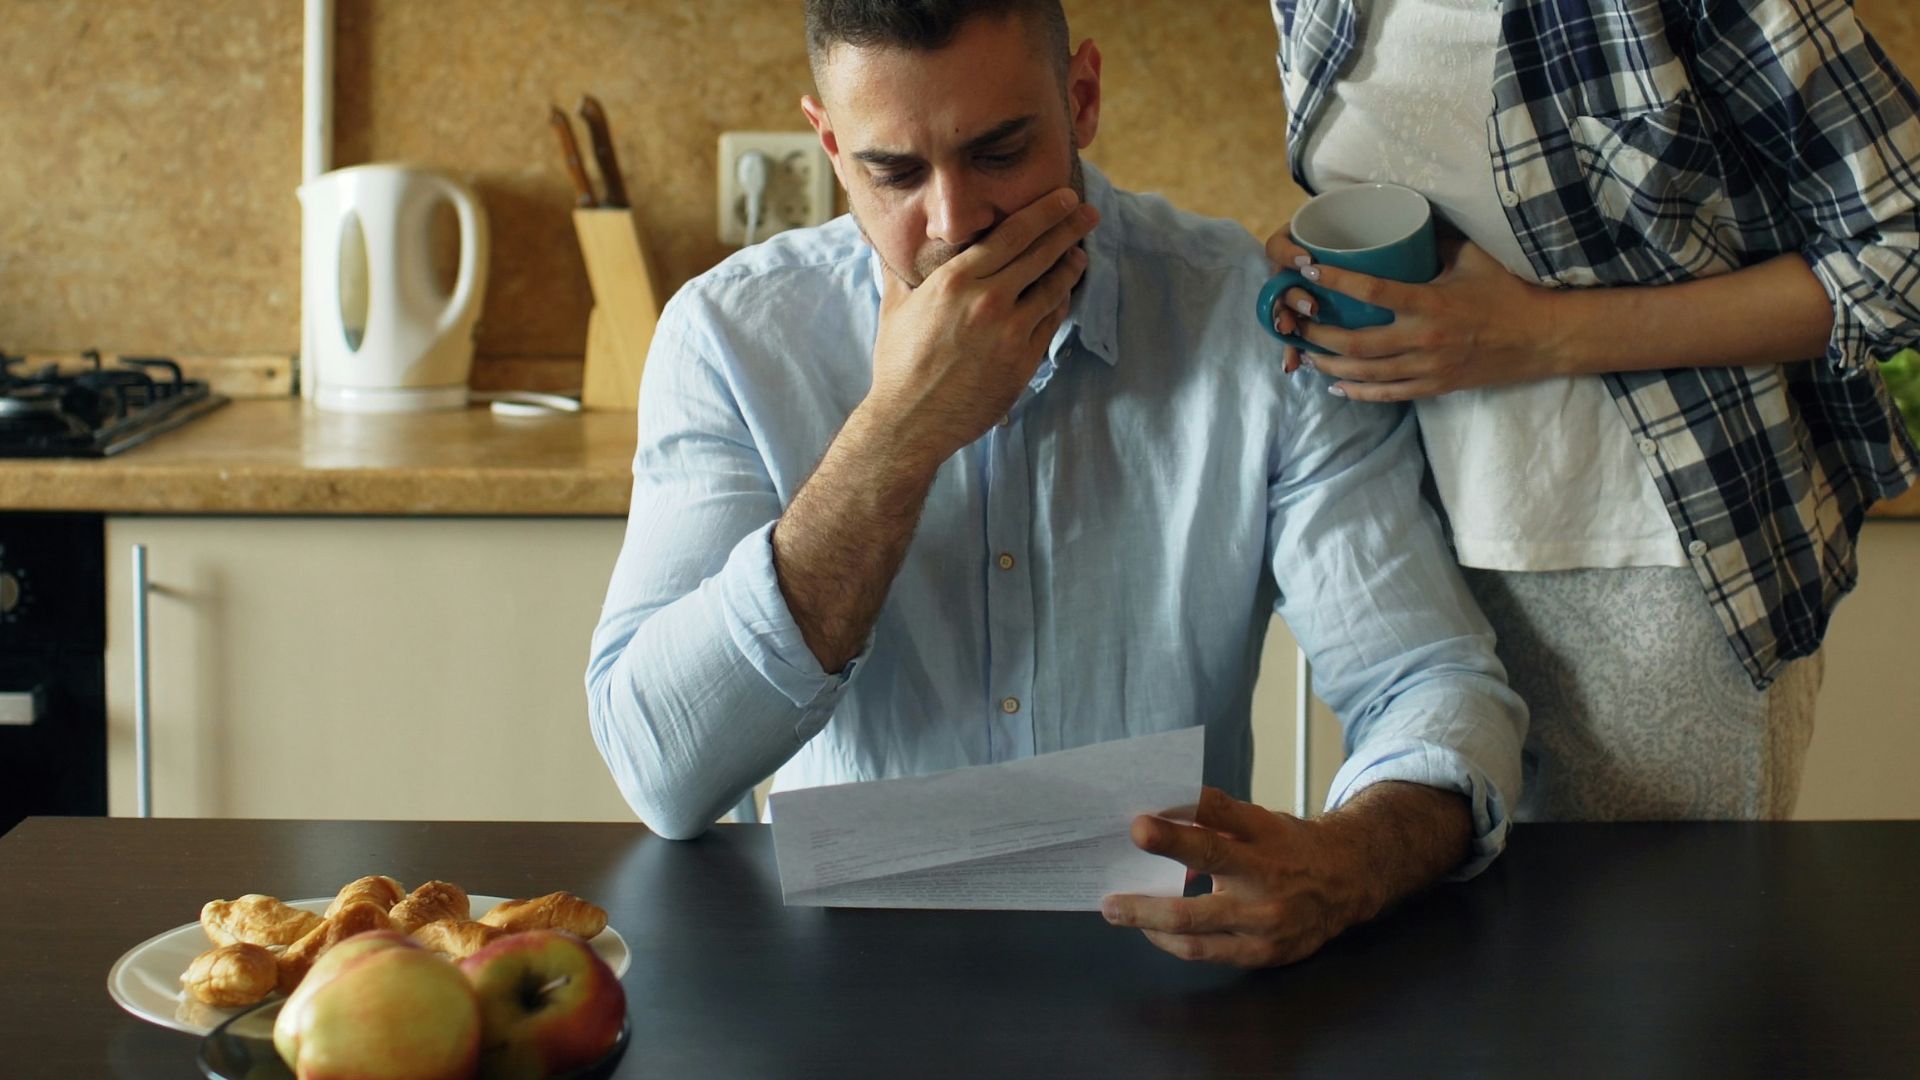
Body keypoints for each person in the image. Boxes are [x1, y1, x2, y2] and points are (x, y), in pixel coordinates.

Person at [587, 0, 1526, 968]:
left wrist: (1348, 861)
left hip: (1168, 981)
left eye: (998, 153)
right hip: (833, 981)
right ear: (829, 144)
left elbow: (1435, 683)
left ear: (1081, 99)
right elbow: (663, 771)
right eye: (894, 172)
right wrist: (896, 438)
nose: (954, 223)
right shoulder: (729, 339)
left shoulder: (1249, 320)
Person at [1263, 0, 1920, 820]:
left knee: (1656, 941)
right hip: (1413, 564)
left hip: (1655, 565)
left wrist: (1539, 335)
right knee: (1450, 939)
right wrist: (1329, 265)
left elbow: (1901, 249)